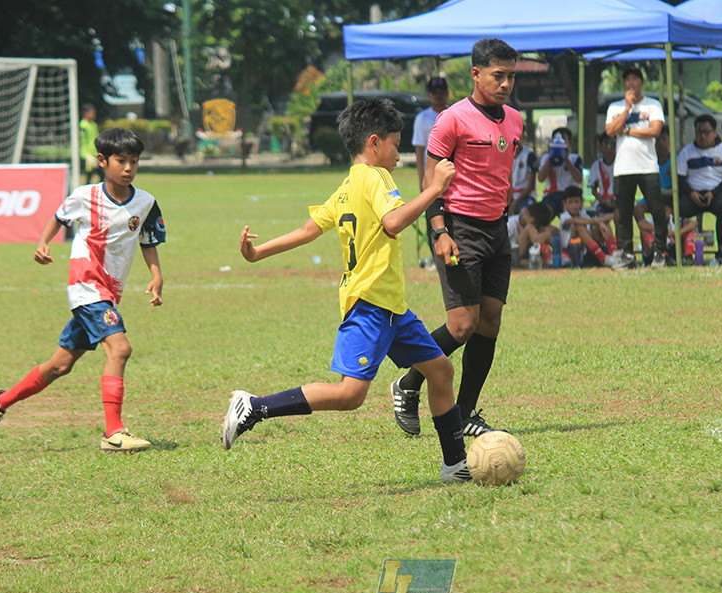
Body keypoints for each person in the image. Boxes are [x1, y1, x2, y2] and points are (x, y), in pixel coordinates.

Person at [220, 97, 470, 482]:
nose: (398, 153)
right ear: (373, 143)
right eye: (394, 143)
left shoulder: (346, 187)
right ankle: (254, 406)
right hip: (370, 305)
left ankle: (455, 465)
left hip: (392, 308)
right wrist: (435, 188)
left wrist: (258, 253)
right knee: (349, 395)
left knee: (440, 371)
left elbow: (308, 230)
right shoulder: (374, 177)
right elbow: (393, 222)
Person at [0, 128, 166, 452]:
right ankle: (114, 432)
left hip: (109, 291)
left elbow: (149, 241)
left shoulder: (145, 202)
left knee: (60, 366)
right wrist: (42, 242)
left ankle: (0, 400)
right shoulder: (84, 195)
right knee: (119, 349)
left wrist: (157, 276)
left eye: (134, 161)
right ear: (103, 161)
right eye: (121, 161)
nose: (129, 168)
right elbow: (59, 218)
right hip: (86, 285)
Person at [391, 38, 522, 439]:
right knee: (463, 324)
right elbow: (432, 182)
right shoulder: (451, 119)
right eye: (498, 76)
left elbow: (504, 173)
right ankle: (409, 383)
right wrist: (440, 231)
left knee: (490, 322)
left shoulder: (515, 120)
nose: (505, 84)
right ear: (476, 73)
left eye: (511, 77)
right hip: (458, 228)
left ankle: (465, 413)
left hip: (496, 229)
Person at [605, 66, 669, 268]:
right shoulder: (615, 107)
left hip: (647, 166)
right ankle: (628, 254)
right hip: (623, 168)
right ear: (624, 84)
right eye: (627, 80)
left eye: (635, 79)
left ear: (642, 82)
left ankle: (660, 252)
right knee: (624, 213)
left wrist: (629, 131)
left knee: (657, 210)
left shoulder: (653, 105)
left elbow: (655, 130)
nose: (631, 83)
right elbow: (610, 131)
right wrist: (626, 109)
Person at [676, 114, 722, 264]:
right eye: (699, 132)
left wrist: (714, 193)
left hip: (717, 192)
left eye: (706, 132)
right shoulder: (686, 152)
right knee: (679, 208)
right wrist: (691, 193)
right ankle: (682, 250)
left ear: (715, 133)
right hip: (693, 193)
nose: (702, 136)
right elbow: (680, 178)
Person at [559, 185, 633, 269]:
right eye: (570, 202)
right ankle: (604, 258)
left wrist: (600, 222)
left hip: (590, 250)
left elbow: (609, 216)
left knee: (604, 223)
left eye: (576, 202)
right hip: (573, 253)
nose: (574, 205)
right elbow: (574, 220)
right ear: (565, 203)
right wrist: (597, 221)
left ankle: (613, 252)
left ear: (581, 202)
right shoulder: (564, 216)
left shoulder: (583, 213)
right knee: (579, 228)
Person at [634, 125, 673, 262]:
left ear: (669, 140)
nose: (660, 142)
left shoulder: (675, 160)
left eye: (664, 138)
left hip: (671, 198)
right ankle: (647, 239)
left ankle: (668, 245)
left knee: (670, 210)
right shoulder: (649, 160)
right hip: (652, 196)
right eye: (657, 139)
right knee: (637, 208)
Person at [537, 127, 585, 215]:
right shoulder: (546, 158)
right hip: (551, 194)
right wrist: (551, 155)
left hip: (570, 194)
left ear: (569, 142)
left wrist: (566, 159)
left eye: (564, 139)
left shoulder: (575, 158)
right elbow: (540, 179)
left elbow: (579, 179)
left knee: (571, 214)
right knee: (544, 214)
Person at [412, 77, 450, 189]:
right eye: (434, 93)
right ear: (429, 95)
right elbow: (419, 150)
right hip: (432, 172)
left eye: (441, 93)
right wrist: (421, 178)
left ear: (447, 94)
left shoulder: (454, 115)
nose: (438, 96)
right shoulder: (422, 118)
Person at [588, 133, 617, 223]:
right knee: (599, 221)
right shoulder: (596, 166)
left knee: (619, 216)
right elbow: (593, 190)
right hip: (602, 200)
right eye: (607, 144)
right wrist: (604, 201)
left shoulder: (620, 163)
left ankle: (620, 237)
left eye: (613, 144)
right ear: (601, 146)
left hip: (617, 201)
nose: (610, 148)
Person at [516, 202, 554, 268]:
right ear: (527, 213)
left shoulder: (536, 226)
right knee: (529, 227)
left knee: (543, 230)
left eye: (537, 224)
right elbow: (536, 240)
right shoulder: (512, 223)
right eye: (534, 223)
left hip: (528, 254)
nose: (535, 226)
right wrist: (548, 232)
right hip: (514, 254)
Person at [509, 141, 539, 214]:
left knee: (526, 214)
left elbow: (531, 185)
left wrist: (515, 202)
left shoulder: (529, 155)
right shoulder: (505, 154)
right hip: (510, 196)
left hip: (526, 196)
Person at [80, 103, 103, 185]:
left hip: (95, 153)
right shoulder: (83, 125)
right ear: (86, 113)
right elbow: (82, 141)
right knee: (91, 175)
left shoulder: (94, 125)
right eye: (92, 113)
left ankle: (96, 188)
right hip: (88, 155)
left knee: (102, 175)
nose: (94, 115)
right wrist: (86, 155)